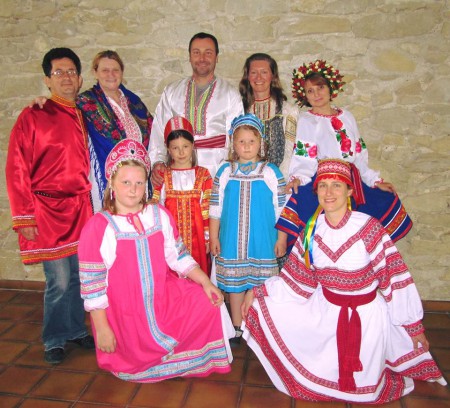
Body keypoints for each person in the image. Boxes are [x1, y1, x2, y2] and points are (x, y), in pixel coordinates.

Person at [241, 158, 447, 403]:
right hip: (325, 312)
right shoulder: (311, 230)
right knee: (312, 379)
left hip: (367, 320)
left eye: (336, 186)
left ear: (350, 191)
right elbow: (296, 279)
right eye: (323, 185)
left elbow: (394, 277)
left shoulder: (369, 227)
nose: (329, 192)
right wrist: (258, 291)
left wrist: (414, 328)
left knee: (366, 392)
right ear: (315, 190)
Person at [78, 138, 233, 382]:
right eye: (126, 182)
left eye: (140, 182)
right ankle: (139, 358)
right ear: (112, 185)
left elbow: (179, 256)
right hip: (126, 311)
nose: (133, 189)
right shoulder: (100, 227)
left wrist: (206, 283)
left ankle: (183, 356)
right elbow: (92, 285)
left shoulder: (158, 214)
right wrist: (102, 328)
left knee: (207, 301)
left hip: (162, 296)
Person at [5, 47, 95, 364]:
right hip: (48, 211)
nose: (66, 77)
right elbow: (16, 167)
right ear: (47, 80)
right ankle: (53, 338)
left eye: (71, 71)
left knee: (78, 277)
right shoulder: (34, 115)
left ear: (80, 77)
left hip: (81, 210)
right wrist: (24, 216)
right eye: (59, 72)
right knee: (57, 281)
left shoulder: (85, 113)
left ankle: (74, 329)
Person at [277, 60, 413, 252]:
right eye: (310, 91)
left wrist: (374, 180)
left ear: (330, 88)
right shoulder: (307, 120)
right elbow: (304, 154)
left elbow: (358, 153)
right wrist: (298, 177)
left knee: (374, 209)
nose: (316, 94)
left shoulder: (347, 116)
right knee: (319, 222)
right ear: (304, 96)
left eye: (320, 88)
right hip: (327, 179)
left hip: (351, 181)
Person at [210, 113, 286, 344]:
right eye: (241, 141)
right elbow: (215, 208)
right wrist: (213, 237)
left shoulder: (271, 171)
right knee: (235, 285)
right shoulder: (225, 171)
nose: (246, 146)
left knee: (260, 286)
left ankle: (260, 327)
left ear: (260, 143)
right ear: (233, 143)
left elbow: (282, 209)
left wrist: (281, 239)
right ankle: (236, 327)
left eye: (251, 141)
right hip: (231, 239)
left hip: (262, 239)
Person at [150, 32, 244, 184]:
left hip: (217, 173)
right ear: (189, 57)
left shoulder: (230, 94)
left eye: (208, 53)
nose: (202, 58)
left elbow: (237, 139)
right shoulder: (172, 92)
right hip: (177, 170)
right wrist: (157, 162)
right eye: (196, 53)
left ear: (216, 57)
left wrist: (231, 177)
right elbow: (159, 131)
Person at [76, 50, 153, 211]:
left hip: (138, 179)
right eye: (105, 70)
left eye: (115, 70)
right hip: (107, 179)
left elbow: (153, 130)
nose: (110, 74)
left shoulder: (134, 101)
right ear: (95, 72)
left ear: (121, 72)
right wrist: (42, 101)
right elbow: (62, 111)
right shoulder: (85, 102)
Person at [151, 116, 212, 275]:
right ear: (168, 149)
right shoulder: (163, 176)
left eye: (185, 146)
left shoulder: (203, 175)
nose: (181, 152)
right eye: (175, 147)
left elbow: (207, 209)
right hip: (170, 238)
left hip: (197, 237)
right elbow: (156, 208)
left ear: (193, 145)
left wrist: (207, 237)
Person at [239, 52, 298, 181]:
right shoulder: (239, 111)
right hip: (245, 178)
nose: (258, 77)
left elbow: (290, 150)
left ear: (273, 76)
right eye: (254, 72)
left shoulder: (288, 111)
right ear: (247, 77)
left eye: (264, 72)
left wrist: (278, 180)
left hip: (279, 178)